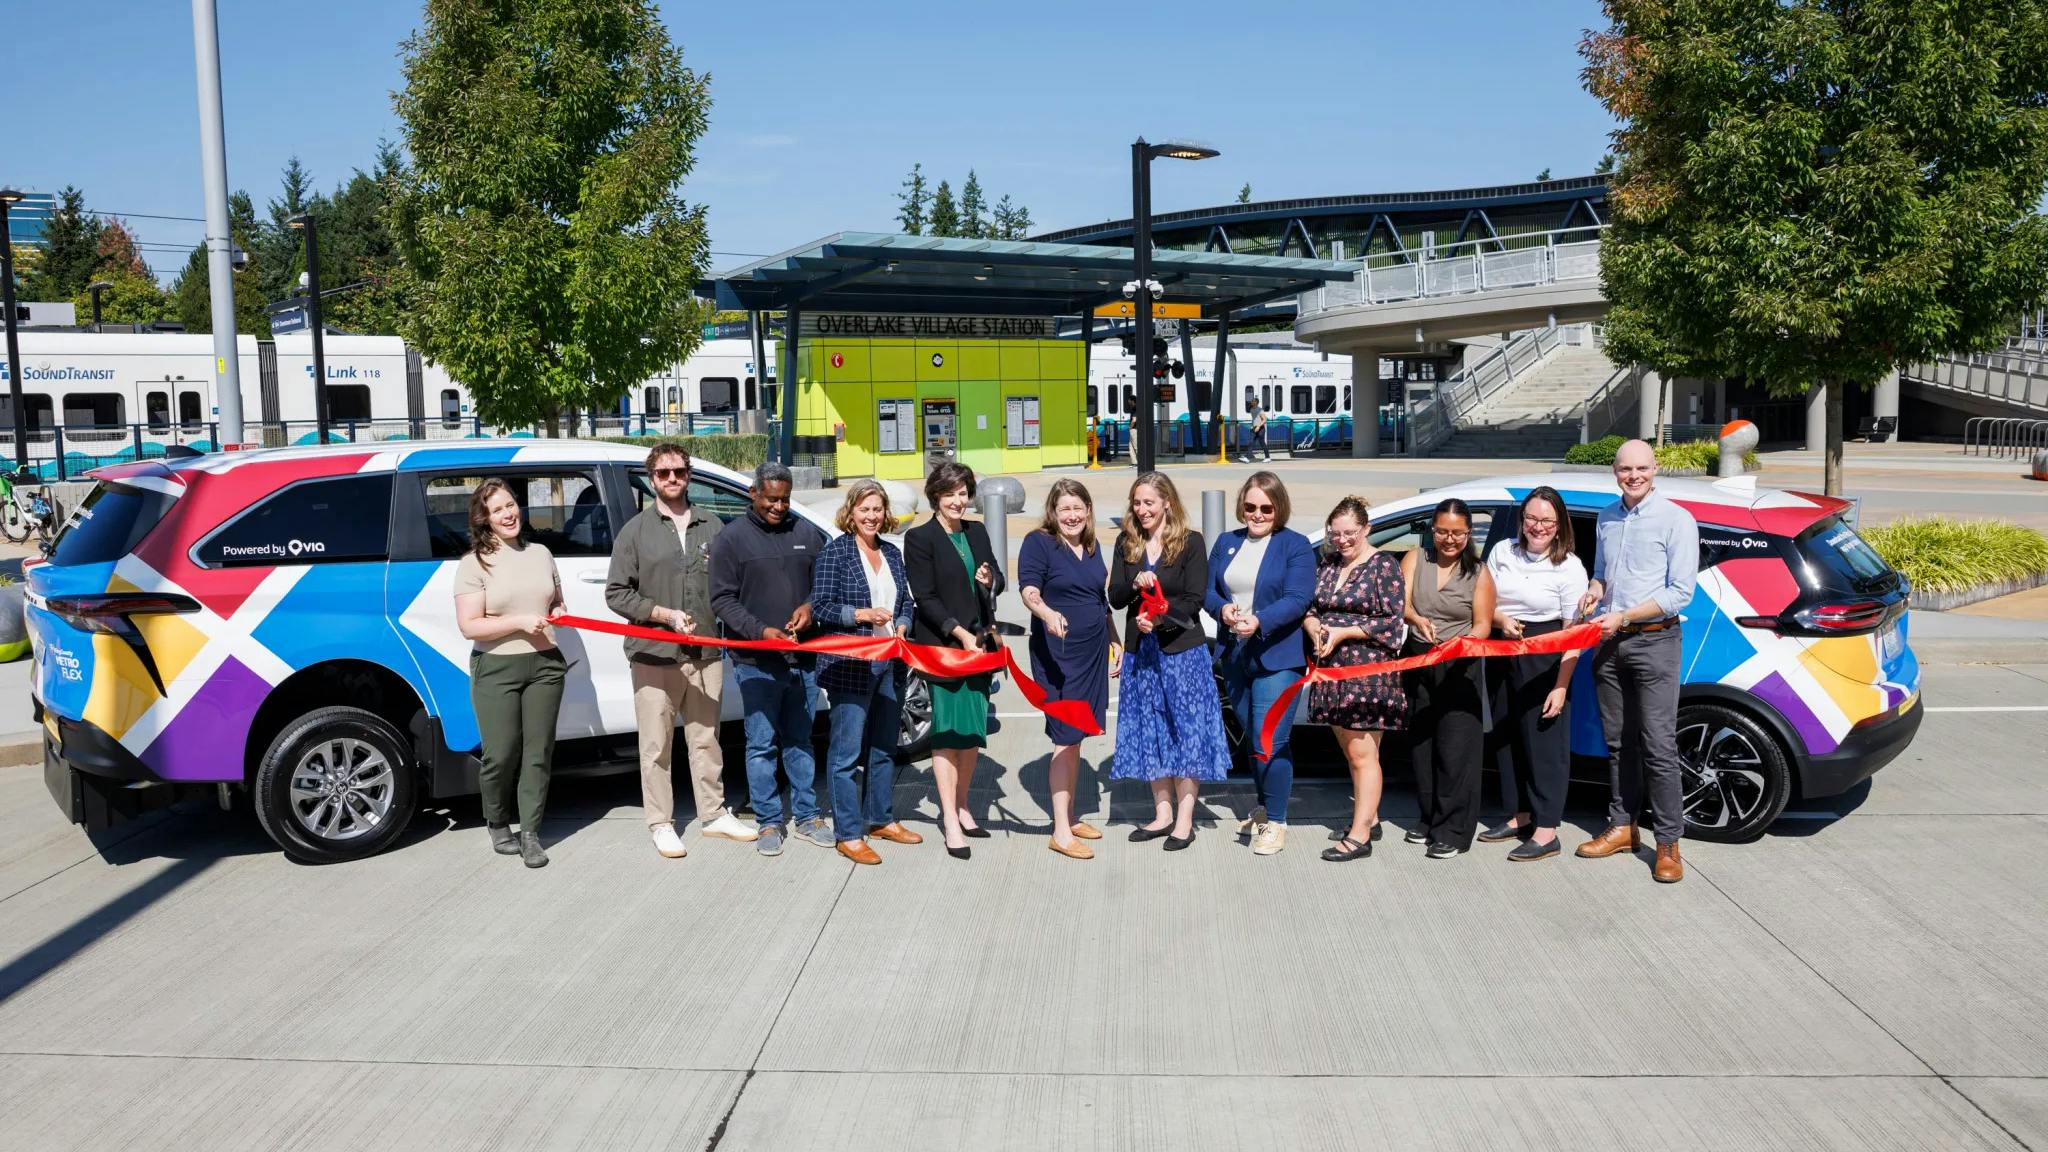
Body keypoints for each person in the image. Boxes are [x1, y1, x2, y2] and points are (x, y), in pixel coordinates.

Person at [606, 443, 757, 859]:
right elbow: (616, 594)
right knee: (656, 746)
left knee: (706, 738)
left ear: (688, 475)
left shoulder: (714, 526)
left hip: (705, 652)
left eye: (679, 471)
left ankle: (713, 814)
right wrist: (661, 614)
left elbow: (733, 586)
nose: (672, 479)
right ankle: (661, 823)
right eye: (663, 473)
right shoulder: (635, 531)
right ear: (651, 478)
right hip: (654, 653)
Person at [1575, 439, 1699, 883]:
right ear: (1615, 471)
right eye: (1626, 468)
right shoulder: (1608, 517)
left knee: (1659, 747)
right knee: (1617, 744)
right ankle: (1623, 827)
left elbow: (1680, 592)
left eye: (1641, 468)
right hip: (1609, 642)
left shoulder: (1677, 520)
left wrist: (1625, 614)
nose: (1633, 475)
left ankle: (1668, 843)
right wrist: (1595, 589)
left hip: (1654, 641)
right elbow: (1604, 572)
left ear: (1656, 468)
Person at [709, 461, 831, 857]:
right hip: (756, 661)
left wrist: (811, 607)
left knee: (800, 740)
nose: (779, 507)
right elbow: (722, 600)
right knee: (761, 744)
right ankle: (768, 821)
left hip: (803, 658)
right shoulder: (732, 539)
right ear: (754, 494)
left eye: (785, 499)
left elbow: (825, 585)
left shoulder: (807, 533)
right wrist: (760, 631)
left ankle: (808, 816)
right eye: (771, 499)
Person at [1109, 472, 1227, 849]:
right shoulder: (1127, 543)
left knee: (1185, 731)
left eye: (1149, 502)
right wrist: (1134, 585)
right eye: (1137, 503)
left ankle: (1184, 820)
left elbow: (1194, 599)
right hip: (1140, 652)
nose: (1142, 510)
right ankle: (1162, 814)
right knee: (1151, 731)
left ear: (1167, 504)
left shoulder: (1191, 542)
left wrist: (1158, 618)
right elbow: (1114, 597)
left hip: (1181, 650)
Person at [454, 479, 566, 869]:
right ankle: (497, 820)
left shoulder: (541, 553)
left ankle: (531, 832)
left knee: (538, 754)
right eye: (498, 509)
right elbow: (470, 626)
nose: (509, 513)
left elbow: (557, 601)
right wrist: (519, 622)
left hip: (546, 665)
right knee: (501, 754)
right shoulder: (474, 563)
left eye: (511, 504)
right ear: (484, 518)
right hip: (497, 667)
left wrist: (560, 613)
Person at [1205, 471, 1316, 856]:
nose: (1257, 514)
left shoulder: (1295, 545)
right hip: (1235, 655)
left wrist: (1260, 620)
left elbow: (1298, 598)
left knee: (1271, 740)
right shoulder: (1226, 542)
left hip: (1278, 657)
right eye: (1250, 506)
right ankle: (1264, 807)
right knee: (1255, 740)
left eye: (1266, 507)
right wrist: (1223, 610)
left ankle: (1277, 822)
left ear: (1279, 507)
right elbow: (1208, 590)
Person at [810, 479, 921, 865]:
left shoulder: (891, 553)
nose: (871, 516)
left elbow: (905, 600)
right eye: (864, 509)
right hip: (851, 666)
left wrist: (903, 624)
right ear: (851, 512)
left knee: (883, 748)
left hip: (889, 663)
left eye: (877, 509)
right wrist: (860, 615)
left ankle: (879, 819)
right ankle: (849, 833)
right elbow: (820, 607)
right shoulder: (835, 553)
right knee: (845, 753)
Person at [1480, 486, 1589, 861]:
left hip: (1545, 655)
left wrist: (1561, 686)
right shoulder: (1502, 551)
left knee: (1545, 745)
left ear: (1559, 525)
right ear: (1521, 519)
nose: (1537, 526)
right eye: (1531, 518)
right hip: (1503, 645)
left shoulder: (1569, 566)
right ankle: (1519, 815)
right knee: (1507, 736)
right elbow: (1485, 601)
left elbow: (1574, 632)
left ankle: (1546, 830)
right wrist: (1500, 619)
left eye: (1546, 520)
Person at [904, 461, 1004, 860]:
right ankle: (949, 819)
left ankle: (963, 805)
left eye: (964, 493)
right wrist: (959, 634)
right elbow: (924, 598)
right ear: (935, 496)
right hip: (945, 648)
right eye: (950, 494)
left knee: (971, 732)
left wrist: (989, 579)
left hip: (980, 647)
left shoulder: (977, 532)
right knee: (946, 734)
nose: (958, 501)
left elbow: (996, 575)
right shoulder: (920, 538)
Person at [1302, 495, 1404, 863]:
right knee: (1351, 750)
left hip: (1367, 673)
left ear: (1367, 530)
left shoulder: (1383, 566)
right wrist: (1315, 626)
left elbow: (1392, 623)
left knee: (1363, 753)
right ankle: (1370, 816)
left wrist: (1344, 633)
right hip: (1332, 671)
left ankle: (1360, 835)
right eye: (1336, 534)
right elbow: (1311, 608)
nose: (1342, 540)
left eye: (1350, 534)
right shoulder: (1328, 563)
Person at [1018, 478, 1115, 861]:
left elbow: (1100, 599)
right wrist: (1045, 613)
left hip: (1091, 652)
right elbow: (1029, 590)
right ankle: (1060, 830)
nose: (1072, 516)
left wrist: (1114, 639)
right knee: (1065, 735)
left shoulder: (1091, 547)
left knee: (1076, 738)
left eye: (1078, 508)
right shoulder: (1039, 543)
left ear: (1088, 510)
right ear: (1053, 513)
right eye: (1065, 509)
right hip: (1057, 655)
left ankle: (1071, 817)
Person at [1400, 498, 1497, 860]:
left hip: (1460, 666)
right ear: (1432, 530)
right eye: (1442, 531)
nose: (1449, 539)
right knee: (1423, 746)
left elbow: (1484, 624)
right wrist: (1415, 619)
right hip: (1419, 661)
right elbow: (1404, 604)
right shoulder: (1415, 559)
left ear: (1469, 534)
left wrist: (1462, 643)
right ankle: (1429, 819)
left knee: (1457, 751)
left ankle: (1454, 830)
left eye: (1457, 533)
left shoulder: (1479, 572)